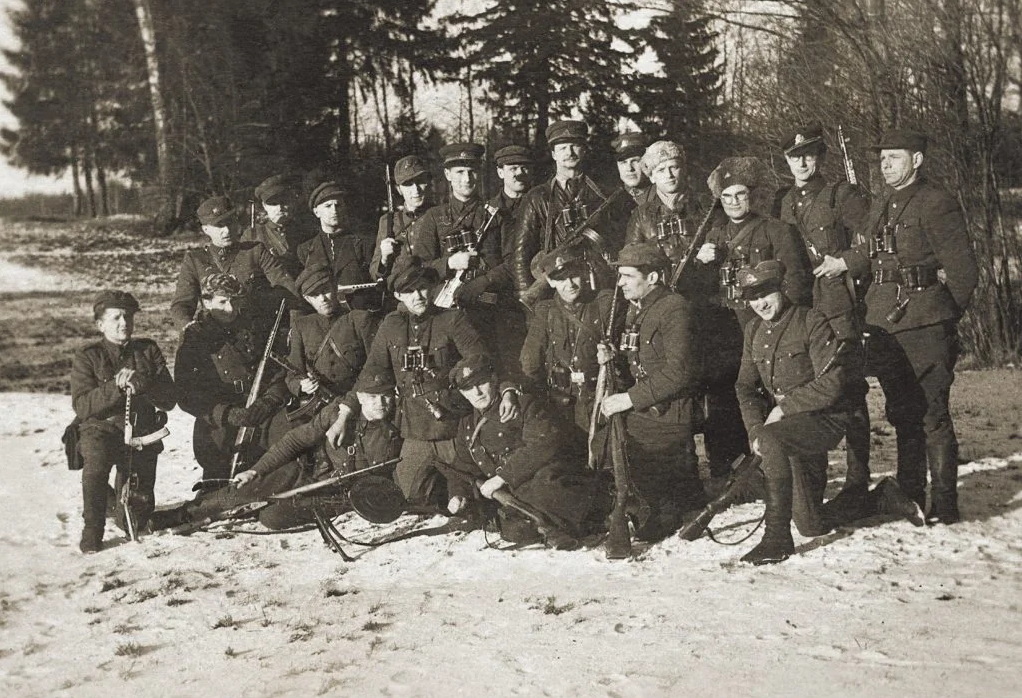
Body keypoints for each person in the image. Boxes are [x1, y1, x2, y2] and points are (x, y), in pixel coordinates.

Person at [813, 129, 978, 524]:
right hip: (885, 321)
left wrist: (942, 317)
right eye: (882, 159)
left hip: (926, 324)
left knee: (932, 413)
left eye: (895, 158)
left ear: (917, 160)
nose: (885, 165)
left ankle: (945, 502)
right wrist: (845, 263)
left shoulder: (936, 202)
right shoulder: (883, 204)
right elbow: (870, 252)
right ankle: (910, 494)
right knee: (903, 411)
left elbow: (964, 272)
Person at [734, 261, 921, 565]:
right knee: (811, 524)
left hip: (825, 417)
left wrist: (783, 408)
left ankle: (777, 539)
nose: (760, 303)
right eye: (752, 297)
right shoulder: (754, 329)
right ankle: (880, 498)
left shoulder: (811, 320)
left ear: (781, 288)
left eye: (765, 292)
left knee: (773, 441)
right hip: (784, 429)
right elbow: (744, 388)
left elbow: (832, 383)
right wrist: (755, 429)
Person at [336, 256, 517, 508]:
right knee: (411, 497)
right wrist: (344, 413)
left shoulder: (452, 320)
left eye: (422, 288)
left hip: (452, 427)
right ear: (398, 296)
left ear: (432, 288)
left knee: (472, 493)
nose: (417, 296)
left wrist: (507, 390)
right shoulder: (391, 325)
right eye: (408, 291)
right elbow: (371, 372)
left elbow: (483, 362)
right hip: (414, 430)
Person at [151, 371, 403, 532]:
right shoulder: (338, 413)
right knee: (247, 488)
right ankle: (184, 514)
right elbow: (293, 441)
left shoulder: (399, 423)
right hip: (309, 471)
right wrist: (254, 470)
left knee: (272, 518)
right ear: (358, 396)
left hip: (339, 493)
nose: (380, 404)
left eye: (386, 397)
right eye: (372, 397)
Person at [694, 157, 815, 481]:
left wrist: (782, 321)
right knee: (726, 395)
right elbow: (702, 289)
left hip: (764, 324)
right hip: (725, 331)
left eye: (740, 194)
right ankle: (728, 468)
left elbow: (797, 282)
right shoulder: (713, 236)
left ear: (752, 195)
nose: (734, 202)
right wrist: (702, 263)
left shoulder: (775, 230)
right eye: (727, 197)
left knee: (769, 391)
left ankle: (774, 464)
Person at [777, 123, 873, 519]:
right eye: (794, 156)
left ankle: (857, 480)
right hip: (800, 308)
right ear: (785, 161)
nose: (802, 161)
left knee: (849, 388)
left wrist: (846, 261)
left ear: (821, 158)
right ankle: (813, 478)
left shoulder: (841, 195)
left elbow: (875, 239)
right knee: (805, 389)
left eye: (810, 154)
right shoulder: (782, 202)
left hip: (837, 306)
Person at [441, 354, 602, 549]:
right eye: (468, 388)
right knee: (513, 529)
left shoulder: (522, 404)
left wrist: (501, 478)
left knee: (549, 488)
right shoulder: (467, 425)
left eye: (480, 383)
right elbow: (463, 468)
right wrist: (458, 495)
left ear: (493, 380)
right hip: (512, 496)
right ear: (463, 393)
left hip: (545, 482)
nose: (476, 392)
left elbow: (543, 445)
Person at [599, 242, 704, 539]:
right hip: (651, 408)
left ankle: (663, 510)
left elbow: (680, 372)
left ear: (653, 278)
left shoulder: (673, 309)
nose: (620, 284)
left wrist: (628, 399)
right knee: (603, 440)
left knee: (619, 442)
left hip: (670, 414)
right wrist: (612, 358)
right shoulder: (640, 309)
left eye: (628, 276)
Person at [71, 291, 176, 553]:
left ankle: (115, 504)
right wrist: (116, 388)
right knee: (95, 469)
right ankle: (92, 527)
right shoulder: (88, 355)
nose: (124, 323)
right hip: (101, 429)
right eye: (116, 317)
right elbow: (82, 405)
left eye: (128, 317)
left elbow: (169, 400)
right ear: (100, 325)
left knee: (132, 522)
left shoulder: (148, 350)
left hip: (141, 434)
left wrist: (144, 384)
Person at [174, 273, 290, 485]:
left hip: (257, 409)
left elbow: (278, 371)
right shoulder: (194, 338)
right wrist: (227, 414)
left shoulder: (254, 328)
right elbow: (185, 394)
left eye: (235, 301)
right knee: (218, 472)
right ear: (206, 302)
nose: (230, 308)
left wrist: (270, 400)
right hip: (221, 419)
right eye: (223, 301)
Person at [513, 119, 628, 302]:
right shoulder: (537, 197)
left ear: (584, 150)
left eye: (575, 146)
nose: (570, 152)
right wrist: (527, 295)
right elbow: (520, 253)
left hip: (597, 284)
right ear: (553, 154)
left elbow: (621, 242)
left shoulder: (605, 194)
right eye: (563, 148)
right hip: (554, 285)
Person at [520, 248, 617, 459]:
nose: (570, 284)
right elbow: (529, 362)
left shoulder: (604, 303)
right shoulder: (545, 312)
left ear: (582, 273)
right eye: (561, 279)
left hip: (598, 399)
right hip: (561, 404)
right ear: (551, 282)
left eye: (573, 276)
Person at [170, 195, 299, 331]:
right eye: (219, 225)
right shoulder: (195, 259)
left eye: (230, 222)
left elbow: (287, 288)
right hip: (213, 331)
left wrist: (294, 329)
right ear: (206, 229)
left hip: (252, 331)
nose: (226, 230)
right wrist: (187, 324)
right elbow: (182, 304)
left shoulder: (255, 251)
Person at [399, 143, 502, 291]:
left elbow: (510, 262)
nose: (466, 179)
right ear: (448, 175)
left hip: (489, 298)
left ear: (479, 173)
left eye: (471, 171)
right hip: (446, 302)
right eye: (460, 172)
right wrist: (450, 263)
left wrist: (484, 281)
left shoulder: (495, 214)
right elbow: (418, 266)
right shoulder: (434, 216)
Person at [284, 266, 379, 422]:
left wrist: (352, 402)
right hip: (321, 407)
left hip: (358, 403)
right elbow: (292, 372)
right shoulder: (301, 326)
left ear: (335, 288)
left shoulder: (359, 319)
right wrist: (301, 385)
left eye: (325, 290)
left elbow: (375, 367)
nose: (322, 298)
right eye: (314, 295)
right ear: (307, 299)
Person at [297, 181, 378, 310]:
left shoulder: (364, 244)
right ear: (316, 212)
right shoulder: (305, 250)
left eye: (338, 205)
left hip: (357, 315)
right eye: (328, 206)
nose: (334, 210)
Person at [370, 155, 432, 281]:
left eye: (420, 181)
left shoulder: (439, 214)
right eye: (408, 184)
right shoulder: (388, 221)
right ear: (399, 189)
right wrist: (384, 258)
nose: (416, 190)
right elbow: (374, 274)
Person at [242, 173, 312, 278]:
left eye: (283, 202)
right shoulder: (253, 235)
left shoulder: (306, 231)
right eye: (273, 204)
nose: (279, 208)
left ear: (292, 202)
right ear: (264, 206)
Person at [611, 131, 653, 204]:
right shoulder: (613, 198)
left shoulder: (661, 194)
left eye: (635, 161)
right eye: (623, 163)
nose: (629, 168)